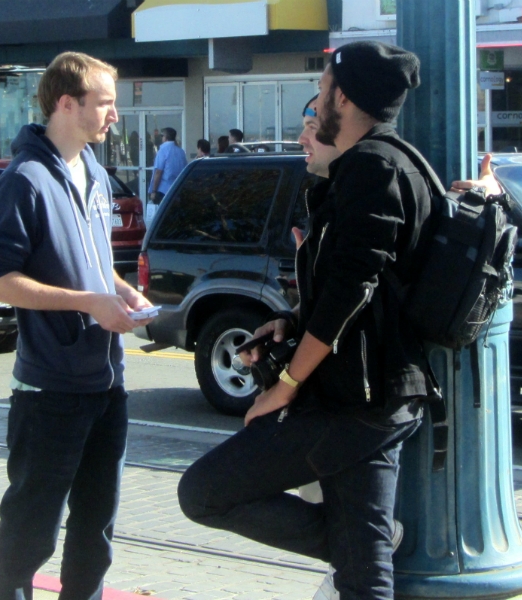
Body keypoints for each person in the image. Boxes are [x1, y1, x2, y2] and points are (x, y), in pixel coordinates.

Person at [178, 41, 438, 600]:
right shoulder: (389, 163)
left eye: (321, 90)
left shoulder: (372, 166)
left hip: (357, 400)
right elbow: (361, 287)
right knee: (363, 572)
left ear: (343, 96)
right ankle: (362, 547)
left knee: (203, 492)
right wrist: (291, 322)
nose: (316, 101)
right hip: (372, 399)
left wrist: (287, 385)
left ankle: (359, 547)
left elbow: (354, 286)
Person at [0, 51, 155, 600]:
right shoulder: (24, 180)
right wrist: (88, 302)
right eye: (105, 104)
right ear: (66, 102)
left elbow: (95, 265)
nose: (114, 116)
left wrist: (123, 292)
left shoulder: (95, 174)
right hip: (50, 390)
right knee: (30, 533)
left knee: (95, 530)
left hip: (107, 384)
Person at [148, 126, 187, 204]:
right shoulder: (181, 152)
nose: (161, 138)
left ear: (165, 137)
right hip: (177, 190)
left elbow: (158, 172)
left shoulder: (163, 151)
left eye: (162, 136)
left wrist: (154, 191)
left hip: (163, 190)